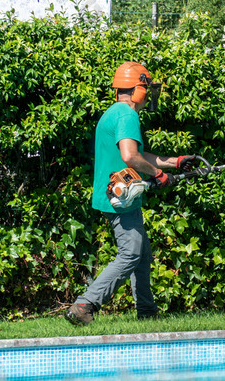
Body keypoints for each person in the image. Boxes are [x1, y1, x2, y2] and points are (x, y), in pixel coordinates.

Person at [65, 61, 197, 326]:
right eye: (146, 88)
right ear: (137, 89)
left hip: (116, 193)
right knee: (131, 253)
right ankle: (84, 304)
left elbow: (136, 154)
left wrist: (174, 162)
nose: (148, 94)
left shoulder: (113, 112)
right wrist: (158, 175)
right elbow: (129, 156)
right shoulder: (127, 115)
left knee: (142, 253)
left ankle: (147, 312)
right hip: (120, 198)